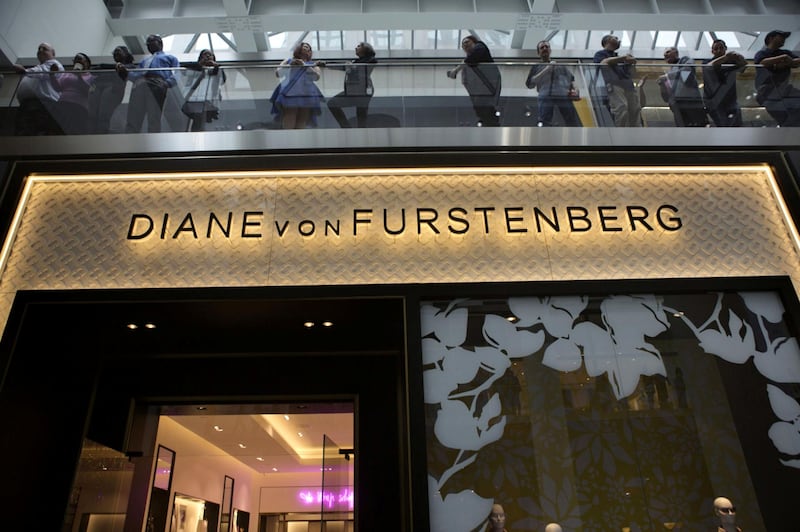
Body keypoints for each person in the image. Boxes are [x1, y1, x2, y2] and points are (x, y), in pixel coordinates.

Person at [117, 34, 179, 133]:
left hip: (157, 83)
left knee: (154, 114)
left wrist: (166, 83)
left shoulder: (170, 58)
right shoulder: (144, 60)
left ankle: (153, 141)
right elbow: (136, 74)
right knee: (134, 114)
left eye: (152, 41)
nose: (149, 44)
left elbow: (176, 72)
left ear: (160, 43)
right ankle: (130, 139)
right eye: (148, 43)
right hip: (140, 84)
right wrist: (126, 73)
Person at [447, 35, 501, 126]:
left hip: (487, 90)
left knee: (487, 112)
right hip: (480, 93)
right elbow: (466, 80)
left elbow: (472, 59)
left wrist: (456, 70)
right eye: (463, 45)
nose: (465, 45)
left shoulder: (480, 47)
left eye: (467, 42)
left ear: (474, 42)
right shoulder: (468, 64)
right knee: (482, 112)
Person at [525, 40, 582, 127]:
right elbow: (530, 84)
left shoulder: (560, 66)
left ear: (550, 50)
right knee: (544, 120)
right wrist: (547, 69)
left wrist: (577, 91)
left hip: (563, 95)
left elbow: (572, 80)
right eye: (542, 47)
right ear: (538, 52)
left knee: (571, 119)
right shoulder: (536, 67)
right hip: (545, 96)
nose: (545, 48)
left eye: (547, 47)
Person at [12, 42, 64, 135]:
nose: (40, 51)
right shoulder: (38, 67)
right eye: (39, 49)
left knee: (32, 133)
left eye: (44, 49)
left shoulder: (54, 64)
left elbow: (44, 71)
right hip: (31, 104)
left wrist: (25, 71)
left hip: (43, 104)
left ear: (53, 53)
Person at [270, 42, 324, 129]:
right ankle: (289, 137)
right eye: (305, 47)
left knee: (303, 117)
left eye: (309, 48)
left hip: (307, 91)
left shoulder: (313, 64)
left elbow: (316, 77)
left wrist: (305, 65)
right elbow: (278, 73)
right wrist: (290, 65)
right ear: (299, 48)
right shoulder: (288, 61)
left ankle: (299, 139)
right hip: (291, 90)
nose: (307, 49)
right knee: (290, 113)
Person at [754, 30, 800, 127]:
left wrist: (786, 62)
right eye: (781, 36)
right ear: (771, 38)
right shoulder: (762, 53)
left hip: (784, 89)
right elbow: (762, 62)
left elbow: (797, 61)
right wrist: (783, 58)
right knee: (783, 116)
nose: (784, 39)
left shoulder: (785, 52)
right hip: (767, 91)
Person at [325, 42, 377, 128]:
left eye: (359, 46)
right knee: (332, 103)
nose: (356, 48)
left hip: (363, 91)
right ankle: (347, 127)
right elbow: (341, 66)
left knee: (361, 114)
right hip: (351, 91)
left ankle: (359, 132)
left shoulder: (370, 60)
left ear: (366, 49)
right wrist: (326, 64)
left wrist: (352, 66)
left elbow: (372, 62)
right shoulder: (355, 62)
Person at [593, 34, 641, 127]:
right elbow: (603, 63)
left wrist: (632, 63)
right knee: (621, 107)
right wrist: (623, 58)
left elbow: (632, 74)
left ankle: (634, 131)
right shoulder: (600, 54)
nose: (618, 40)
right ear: (608, 40)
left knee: (635, 109)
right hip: (614, 85)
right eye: (615, 38)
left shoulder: (618, 57)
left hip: (628, 86)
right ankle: (619, 132)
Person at [657, 47, 708, 127]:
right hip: (677, 107)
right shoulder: (670, 72)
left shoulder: (684, 60)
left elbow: (687, 71)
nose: (665, 56)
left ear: (676, 52)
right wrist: (662, 85)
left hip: (691, 103)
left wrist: (667, 76)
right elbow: (666, 98)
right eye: (664, 55)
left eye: (668, 52)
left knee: (699, 128)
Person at [90, 45, 135, 133]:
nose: (116, 54)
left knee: (104, 114)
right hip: (100, 90)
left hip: (113, 90)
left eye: (119, 51)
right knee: (94, 115)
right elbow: (94, 70)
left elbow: (129, 69)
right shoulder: (112, 68)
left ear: (126, 54)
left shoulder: (129, 66)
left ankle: (101, 133)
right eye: (115, 53)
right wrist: (112, 66)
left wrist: (104, 66)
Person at [703, 39, 747, 127]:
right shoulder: (706, 62)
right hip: (714, 101)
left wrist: (739, 57)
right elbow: (708, 67)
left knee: (736, 125)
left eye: (721, 48)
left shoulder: (731, 63)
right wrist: (726, 57)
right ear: (712, 51)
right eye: (716, 49)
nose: (719, 51)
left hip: (730, 101)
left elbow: (743, 67)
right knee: (723, 125)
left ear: (725, 48)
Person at [181, 49, 226, 132]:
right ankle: (197, 135)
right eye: (205, 54)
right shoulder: (194, 69)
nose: (208, 56)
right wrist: (200, 65)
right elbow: (184, 71)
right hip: (194, 99)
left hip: (208, 100)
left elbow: (222, 80)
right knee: (198, 118)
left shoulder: (215, 71)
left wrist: (216, 66)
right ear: (200, 57)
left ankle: (197, 135)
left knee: (199, 119)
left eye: (210, 55)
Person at [53, 52, 95, 134]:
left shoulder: (91, 77)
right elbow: (57, 87)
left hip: (78, 106)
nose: (77, 61)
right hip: (62, 103)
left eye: (80, 59)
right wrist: (52, 75)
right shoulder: (67, 74)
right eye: (75, 59)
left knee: (74, 129)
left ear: (87, 63)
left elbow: (90, 91)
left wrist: (79, 76)